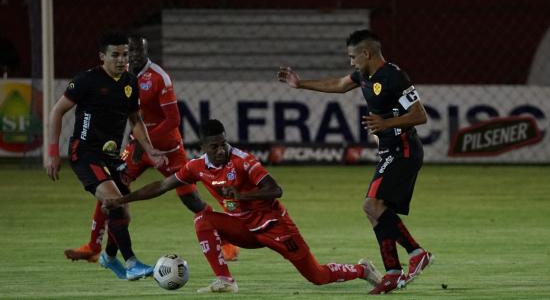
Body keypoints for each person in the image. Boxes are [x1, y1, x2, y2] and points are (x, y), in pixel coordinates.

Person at [105, 119, 382, 293]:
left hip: (275, 226)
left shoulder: (243, 161)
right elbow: (161, 186)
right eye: (214, 146)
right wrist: (123, 199)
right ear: (204, 147)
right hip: (244, 229)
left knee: (318, 277)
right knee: (203, 219)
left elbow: (275, 189)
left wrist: (240, 196)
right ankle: (225, 280)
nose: (221, 149)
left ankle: (362, 269)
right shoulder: (197, 166)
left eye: (223, 143)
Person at [277, 29, 433, 294]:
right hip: (389, 150)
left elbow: (420, 115)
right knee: (373, 210)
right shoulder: (364, 75)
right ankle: (394, 272)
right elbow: (338, 85)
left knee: (371, 205)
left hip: (404, 149)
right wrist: (300, 84)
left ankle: (417, 253)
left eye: (352, 57)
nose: (350, 62)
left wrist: (386, 123)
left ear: (366, 53)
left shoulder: (395, 77)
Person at [63, 35, 240, 263]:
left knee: (191, 200)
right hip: (137, 147)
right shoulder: (120, 76)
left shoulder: (159, 78)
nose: (132, 57)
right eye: (129, 52)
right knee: (112, 188)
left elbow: (173, 119)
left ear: (146, 52)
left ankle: (226, 240)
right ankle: (94, 246)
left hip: (168, 150)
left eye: (138, 52)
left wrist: (144, 143)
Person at [45, 31, 167, 281]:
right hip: (85, 153)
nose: (122, 59)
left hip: (112, 157)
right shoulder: (86, 81)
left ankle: (109, 258)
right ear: (102, 57)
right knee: (114, 203)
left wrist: (151, 149)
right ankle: (132, 262)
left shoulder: (130, 83)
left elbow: (135, 120)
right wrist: (52, 153)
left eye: (125, 54)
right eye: (115, 55)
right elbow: (57, 112)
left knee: (124, 213)